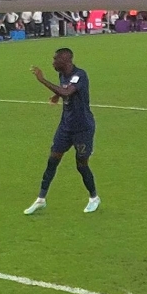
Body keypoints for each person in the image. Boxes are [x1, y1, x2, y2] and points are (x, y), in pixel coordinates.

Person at [24, 48, 100, 215]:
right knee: (52, 160)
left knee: (81, 165)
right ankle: (41, 199)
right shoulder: (63, 74)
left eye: (55, 59)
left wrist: (42, 80)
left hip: (83, 128)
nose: (53, 62)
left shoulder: (80, 75)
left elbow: (67, 91)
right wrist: (56, 96)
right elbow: (63, 91)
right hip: (65, 127)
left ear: (65, 61)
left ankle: (94, 197)